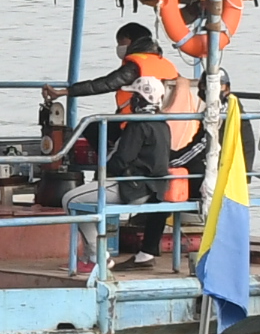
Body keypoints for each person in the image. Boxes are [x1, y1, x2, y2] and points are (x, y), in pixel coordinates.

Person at [60, 21, 199, 264]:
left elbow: (105, 84)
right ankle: (145, 252)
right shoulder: (165, 67)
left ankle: (98, 257)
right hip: (162, 159)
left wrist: (107, 171)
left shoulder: (136, 70)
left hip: (131, 183)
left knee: (71, 199)